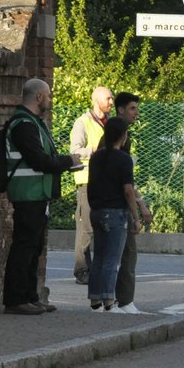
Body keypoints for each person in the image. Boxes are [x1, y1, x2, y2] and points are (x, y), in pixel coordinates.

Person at [3, 78, 82, 315]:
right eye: (48, 95)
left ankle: (30, 296)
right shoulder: (23, 124)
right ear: (38, 97)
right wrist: (69, 161)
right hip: (27, 193)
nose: (51, 99)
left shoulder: (34, 122)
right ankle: (15, 299)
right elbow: (39, 160)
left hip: (38, 193)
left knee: (34, 247)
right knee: (24, 247)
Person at [86, 115, 139, 311]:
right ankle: (109, 301)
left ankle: (95, 299)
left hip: (97, 211)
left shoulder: (96, 157)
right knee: (112, 259)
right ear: (123, 136)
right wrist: (135, 215)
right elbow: (128, 190)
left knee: (98, 256)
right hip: (115, 212)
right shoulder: (124, 160)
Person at [111, 91, 154, 313]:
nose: (136, 113)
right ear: (121, 110)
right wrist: (139, 207)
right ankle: (122, 302)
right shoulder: (118, 135)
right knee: (125, 254)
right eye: (132, 108)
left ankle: (114, 301)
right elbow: (126, 182)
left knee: (115, 255)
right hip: (118, 204)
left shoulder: (118, 135)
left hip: (114, 203)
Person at [69, 86, 114, 285]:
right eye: (108, 98)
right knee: (86, 228)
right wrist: (95, 149)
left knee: (101, 226)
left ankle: (97, 268)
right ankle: (82, 270)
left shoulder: (110, 123)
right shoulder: (83, 122)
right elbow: (75, 152)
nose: (111, 102)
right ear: (96, 101)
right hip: (87, 181)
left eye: (112, 98)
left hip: (105, 181)